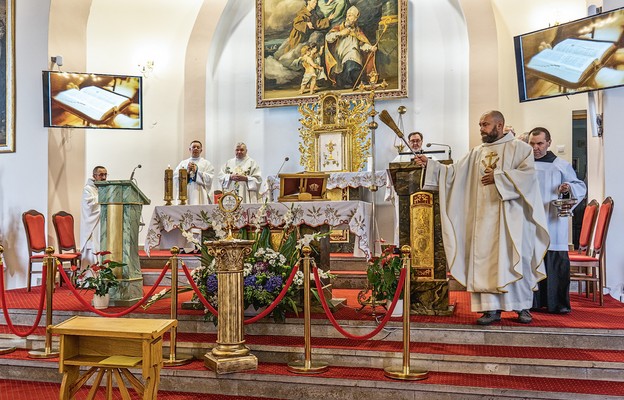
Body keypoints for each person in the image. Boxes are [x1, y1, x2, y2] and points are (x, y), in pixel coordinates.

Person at [414, 110, 549, 325]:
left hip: (512, 219)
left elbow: (529, 178)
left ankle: (522, 306)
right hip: (483, 221)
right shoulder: (477, 152)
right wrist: (430, 165)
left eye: (485, 124)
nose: (481, 129)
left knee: (516, 258)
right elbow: (453, 173)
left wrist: (498, 178)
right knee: (485, 262)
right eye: (480, 124)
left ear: (499, 125)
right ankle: (491, 309)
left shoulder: (521, 149)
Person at [529, 127, 586, 314]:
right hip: (530, 222)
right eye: (532, 143)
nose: (535, 147)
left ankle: (558, 304)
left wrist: (567, 187)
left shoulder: (560, 165)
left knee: (553, 259)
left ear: (548, 143)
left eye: (539, 143)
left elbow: (580, 186)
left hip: (552, 220)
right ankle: (532, 303)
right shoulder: (524, 165)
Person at [325, 6, 377, 89]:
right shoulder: (339, 28)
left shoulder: (357, 31)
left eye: (350, 15)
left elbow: (362, 44)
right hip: (339, 57)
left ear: (355, 18)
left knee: (352, 65)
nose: (347, 17)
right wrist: (340, 33)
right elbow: (328, 38)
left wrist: (371, 48)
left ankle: (357, 82)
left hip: (353, 54)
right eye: (347, 15)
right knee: (341, 79)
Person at [80, 166, 107, 266]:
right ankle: (90, 279)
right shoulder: (88, 189)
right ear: (94, 176)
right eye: (101, 175)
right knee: (93, 250)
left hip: (101, 225)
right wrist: (104, 200)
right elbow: (89, 206)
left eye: (105, 175)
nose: (104, 177)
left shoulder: (102, 188)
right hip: (92, 226)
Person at [173, 140, 215, 205]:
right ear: (190, 149)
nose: (196, 148)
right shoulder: (183, 163)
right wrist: (186, 172)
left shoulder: (206, 163)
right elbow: (175, 177)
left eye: (198, 147)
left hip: (200, 192)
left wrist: (197, 172)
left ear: (201, 150)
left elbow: (210, 178)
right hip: (186, 192)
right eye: (194, 147)